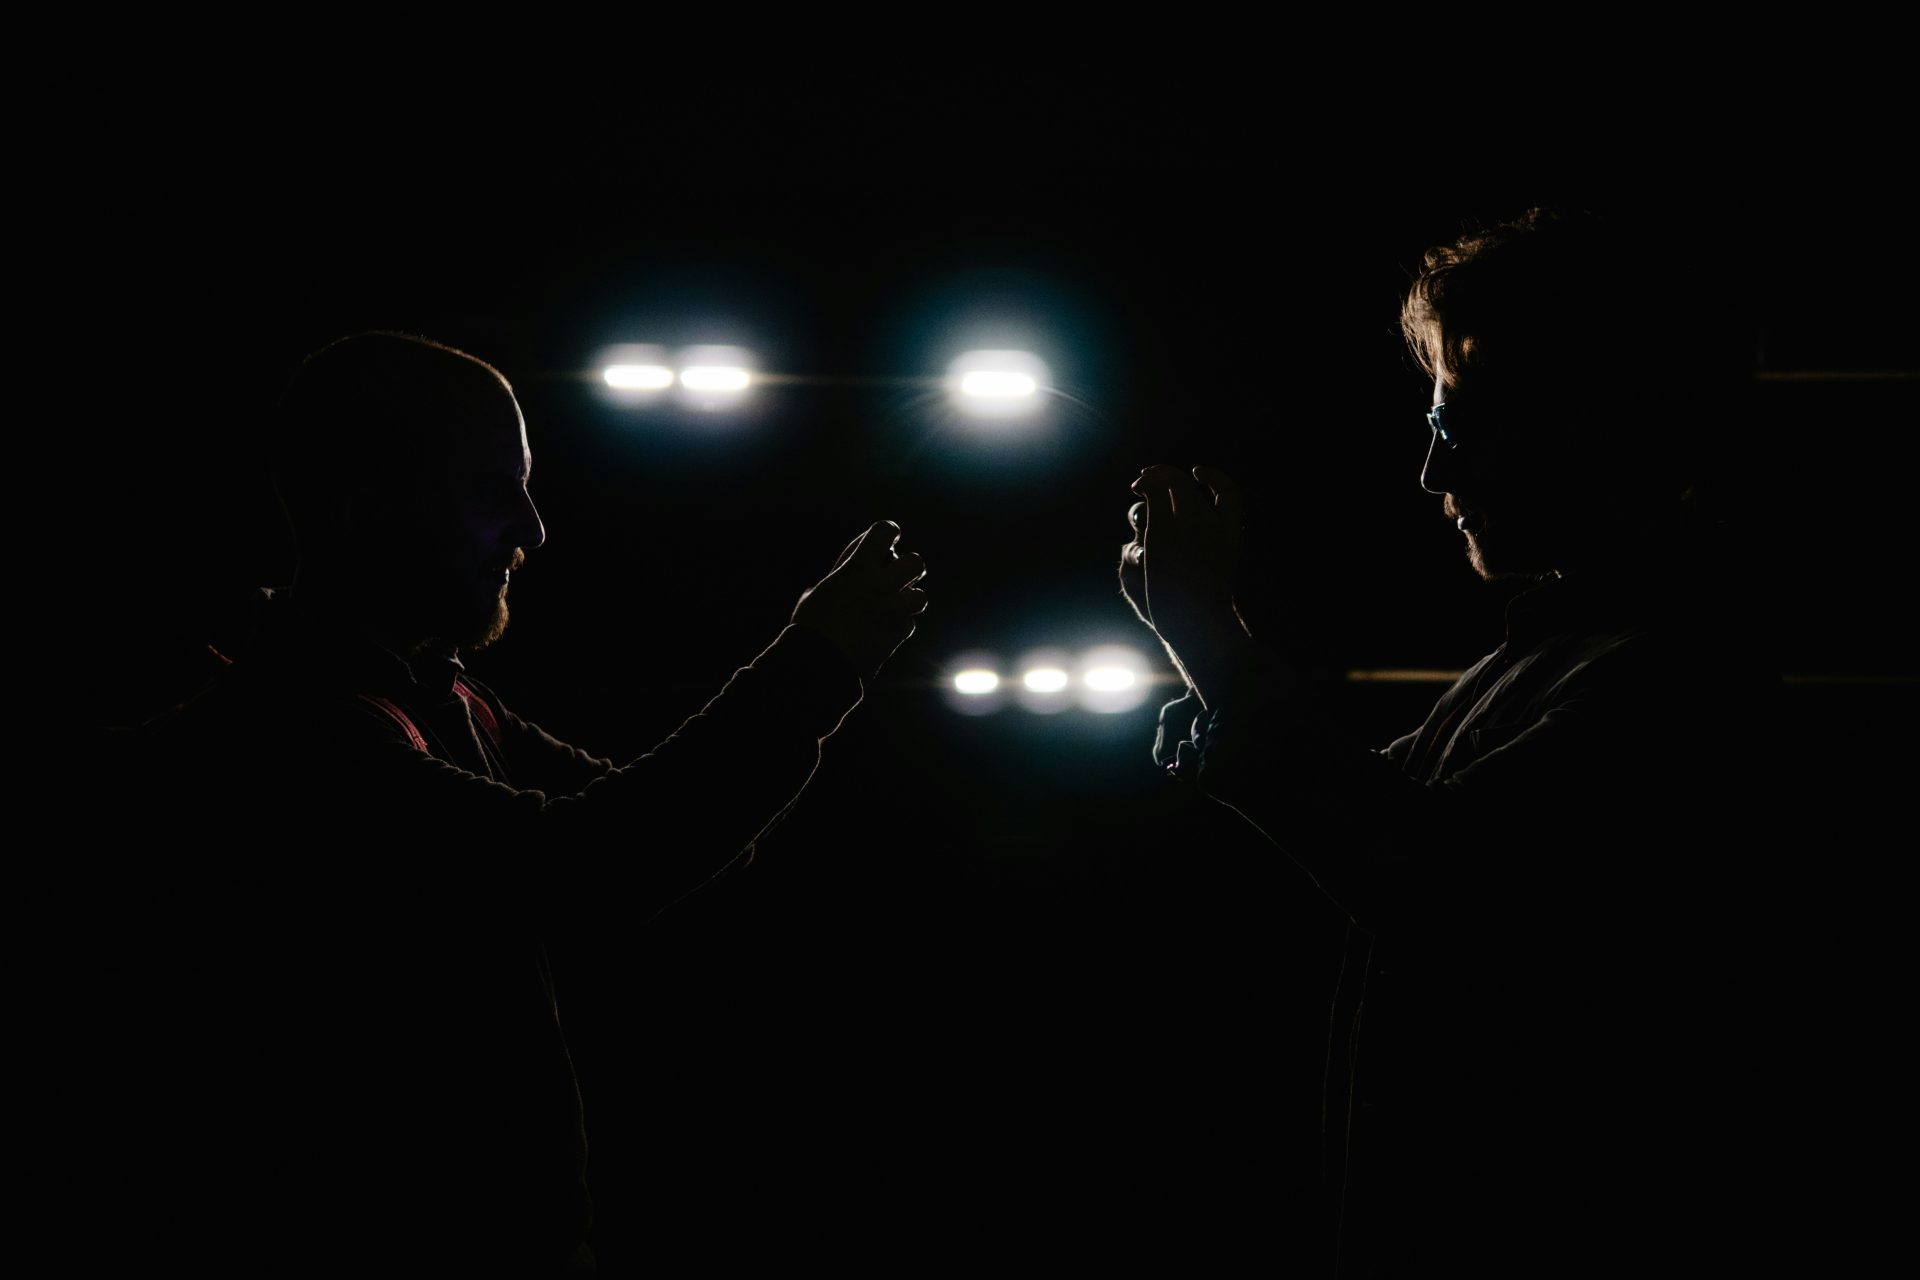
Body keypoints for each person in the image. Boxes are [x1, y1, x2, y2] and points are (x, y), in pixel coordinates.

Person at [133, 331, 928, 1274]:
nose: (534, 528)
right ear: (362, 507)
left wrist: (814, 673)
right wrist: (816, 663)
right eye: (490, 489)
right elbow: (598, 860)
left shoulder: (444, 699)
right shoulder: (294, 740)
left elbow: (674, 840)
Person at [1118, 210, 1772, 1271]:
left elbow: (1437, 872)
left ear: (1581, 421)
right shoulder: (1548, 654)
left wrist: (1214, 649)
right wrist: (1214, 673)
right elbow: (1382, 819)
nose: (1430, 475)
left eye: (1457, 426)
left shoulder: (1671, 669)